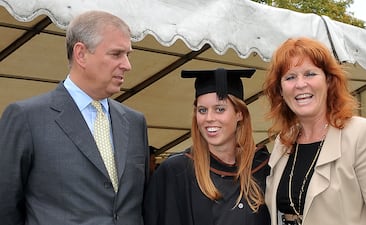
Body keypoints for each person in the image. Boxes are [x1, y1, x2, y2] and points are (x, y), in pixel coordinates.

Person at [0, 10, 149, 225]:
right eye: (116, 54)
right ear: (81, 54)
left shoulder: (135, 122)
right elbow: (5, 207)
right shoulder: (26, 118)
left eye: (128, 55)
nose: (127, 65)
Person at [263, 37, 366, 225]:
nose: (300, 84)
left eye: (310, 74)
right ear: (280, 89)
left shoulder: (363, 135)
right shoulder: (284, 141)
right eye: (290, 77)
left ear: (328, 81)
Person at [144, 68, 271, 225]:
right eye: (202, 110)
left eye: (220, 109)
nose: (209, 118)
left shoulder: (262, 168)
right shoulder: (176, 171)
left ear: (239, 114)